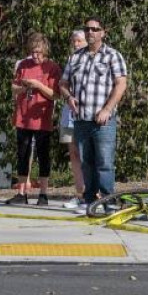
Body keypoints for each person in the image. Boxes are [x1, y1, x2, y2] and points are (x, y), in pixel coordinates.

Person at [60, 17, 128, 213]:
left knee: (105, 163)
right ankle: (89, 201)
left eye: (95, 29)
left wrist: (107, 109)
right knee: (86, 163)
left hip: (103, 121)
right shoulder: (76, 57)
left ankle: (109, 203)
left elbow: (121, 84)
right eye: (87, 29)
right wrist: (69, 97)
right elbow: (63, 84)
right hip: (81, 119)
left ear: (103, 32)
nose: (90, 32)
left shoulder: (112, 56)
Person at [6, 33, 61, 206]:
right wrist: (23, 87)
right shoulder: (23, 64)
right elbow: (13, 88)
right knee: (22, 153)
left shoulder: (52, 68)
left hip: (42, 117)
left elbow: (56, 95)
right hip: (23, 115)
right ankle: (22, 192)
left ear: (45, 51)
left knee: (43, 155)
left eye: (39, 52)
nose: (35, 55)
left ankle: (43, 194)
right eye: (33, 52)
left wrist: (38, 85)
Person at [60, 30, 88, 210]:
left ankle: (91, 194)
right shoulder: (72, 60)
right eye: (73, 41)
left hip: (86, 113)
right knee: (73, 153)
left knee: (87, 154)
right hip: (69, 112)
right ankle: (79, 193)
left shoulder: (93, 60)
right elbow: (63, 83)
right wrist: (68, 96)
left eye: (79, 41)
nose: (75, 44)